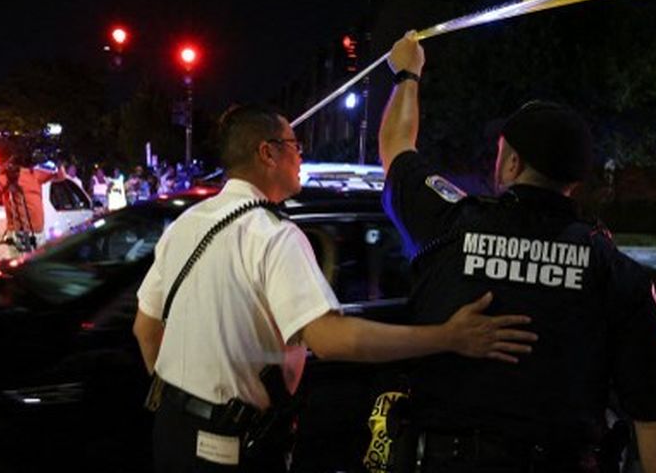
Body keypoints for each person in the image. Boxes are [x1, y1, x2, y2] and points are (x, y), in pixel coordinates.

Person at [133, 104, 538, 473]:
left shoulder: (188, 223)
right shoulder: (274, 236)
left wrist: (190, 397)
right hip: (227, 446)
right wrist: (448, 337)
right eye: (294, 145)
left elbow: (146, 330)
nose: (300, 155)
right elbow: (331, 340)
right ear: (267, 153)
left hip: (170, 429)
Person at [377, 31, 656, 473]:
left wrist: (408, 73)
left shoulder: (447, 224)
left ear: (511, 163)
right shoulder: (618, 275)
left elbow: (397, 150)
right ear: (574, 179)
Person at [0, 158, 64, 253]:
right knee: (24, 259)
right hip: (21, 231)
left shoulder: (34, 174)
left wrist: (58, 163)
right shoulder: (10, 176)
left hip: (37, 231)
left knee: (35, 259)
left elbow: (61, 177)